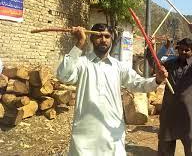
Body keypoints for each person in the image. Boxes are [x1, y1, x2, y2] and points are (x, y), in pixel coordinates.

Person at [57, 24, 168, 156]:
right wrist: (80, 43)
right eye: (98, 36)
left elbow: (138, 83)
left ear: (111, 39)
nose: (103, 40)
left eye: (107, 36)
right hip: (85, 137)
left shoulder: (118, 67)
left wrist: (157, 80)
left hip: (113, 135)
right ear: (91, 38)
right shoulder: (82, 63)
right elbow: (63, 75)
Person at [158, 23, 192, 156]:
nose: (183, 52)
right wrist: (164, 47)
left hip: (190, 114)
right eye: (181, 49)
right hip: (170, 112)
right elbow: (155, 61)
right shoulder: (170, 64)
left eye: (187, 50)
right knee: (165, 147)